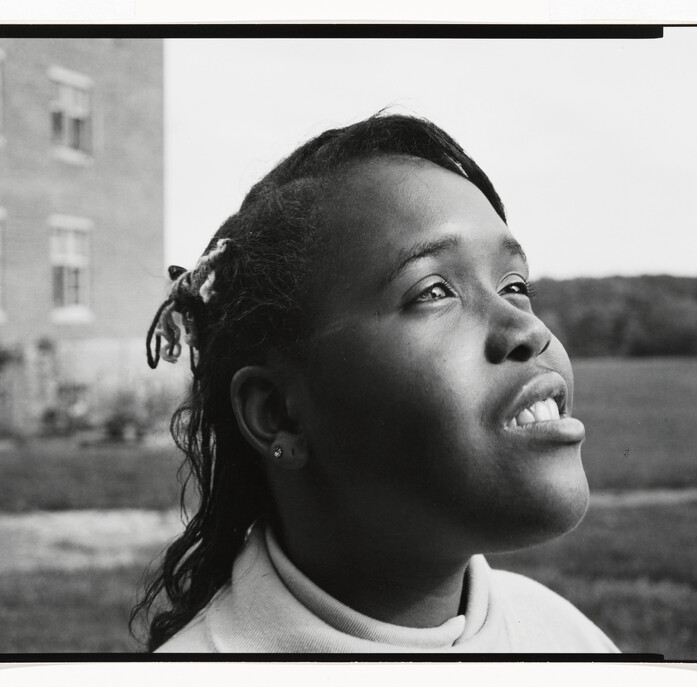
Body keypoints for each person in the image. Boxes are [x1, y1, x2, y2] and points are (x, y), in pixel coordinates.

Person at [133, 114, 619, 654]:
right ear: (279, 414)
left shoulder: (564, 637)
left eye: (515, 284)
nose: (528, 327)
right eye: (433, 291)